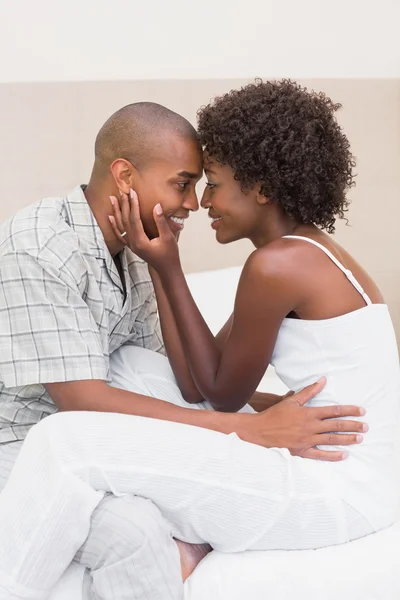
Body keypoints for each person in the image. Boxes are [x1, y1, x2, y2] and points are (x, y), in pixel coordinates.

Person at [0, 96, 373, 600]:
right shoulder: (41, 247)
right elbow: (81, 401)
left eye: (203, 184)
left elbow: (170, 379)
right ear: (125, 176)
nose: (194, 203)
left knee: (138, 381)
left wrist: (279, 410)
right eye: (184, 183)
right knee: (136, 531)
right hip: (22, 442)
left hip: (100, 437)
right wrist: (252, 429)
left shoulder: (137, 250)